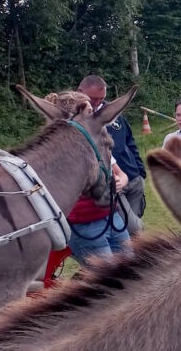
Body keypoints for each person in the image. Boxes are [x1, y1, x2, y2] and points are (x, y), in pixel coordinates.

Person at [46, 91, 132, 267]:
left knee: (132, 274)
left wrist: (121, 181)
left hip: (111, 217)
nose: (95, 115)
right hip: (84, 226)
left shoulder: (97, 143)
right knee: (109, 283)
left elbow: (120, 174)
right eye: (89, 112)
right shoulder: (57, 152)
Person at [77, 75, 145, 235]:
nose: (97, 103)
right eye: (93, 98)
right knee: (132, 229)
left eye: (102, 99)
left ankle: (133, 258)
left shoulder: (114, 113)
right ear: (80, 91)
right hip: (112, 184)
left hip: (133, 180)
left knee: (132, 228)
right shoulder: (77, 120)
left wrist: (140, 171)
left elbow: (129, 142)